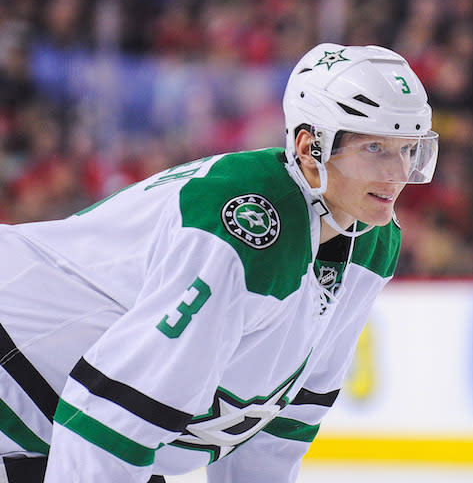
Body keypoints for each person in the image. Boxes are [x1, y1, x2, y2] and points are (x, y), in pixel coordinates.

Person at [0, 43, 438, 482]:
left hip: (40, 416)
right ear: (310, 148)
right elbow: (112, 414)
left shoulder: (372, 241)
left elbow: (281, 424)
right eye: (376, 148)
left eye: (408, 149)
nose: (398, 174)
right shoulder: (244, 225)